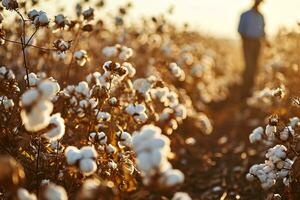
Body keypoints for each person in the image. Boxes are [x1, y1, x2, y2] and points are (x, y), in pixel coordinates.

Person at [238, 0, 267, 99]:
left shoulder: (261, 16)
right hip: (248, 42)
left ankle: (250, 90)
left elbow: (263, 31)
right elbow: (240, 30)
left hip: (257, 43)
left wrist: (266, 42)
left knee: (255, 67)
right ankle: (244, 90)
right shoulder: (245, 15)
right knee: (249, 66)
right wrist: (246, 42)